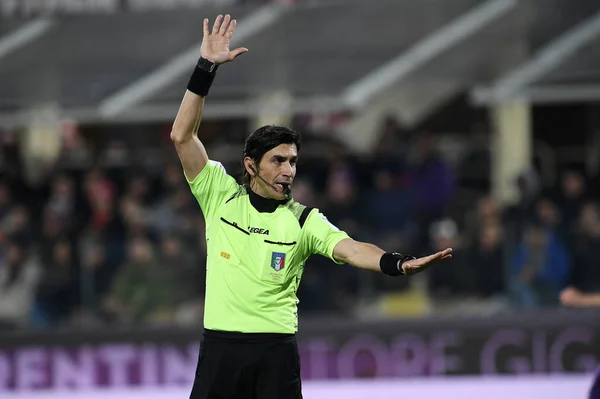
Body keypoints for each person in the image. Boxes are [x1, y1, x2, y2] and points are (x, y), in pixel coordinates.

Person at [171, 14, 453, 399]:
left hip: (276, 355)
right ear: (251, 165)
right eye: (278, 161)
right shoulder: (219, 193)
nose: (288, 170)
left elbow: (353, 249)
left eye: (293, 161)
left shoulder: (304, 220)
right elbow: (182, 135)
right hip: (221, 351)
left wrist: (396, 263)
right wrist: (205, 68)